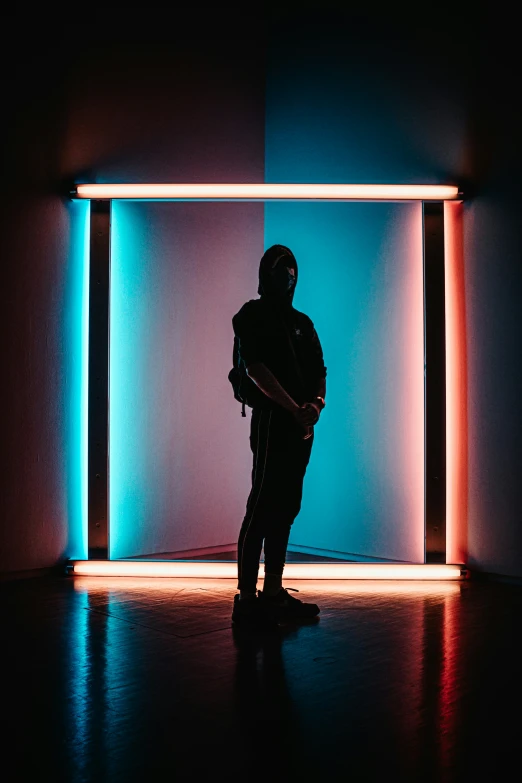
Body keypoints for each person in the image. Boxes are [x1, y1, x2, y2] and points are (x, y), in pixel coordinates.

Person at [231, 244, 327, 628]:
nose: (285, 278)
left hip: (301, 425)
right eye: (277, 271)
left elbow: (320, 370)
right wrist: (294, 409)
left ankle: (272, 592)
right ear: (264, 274)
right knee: (262, 506)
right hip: (273, 422)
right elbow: (255, 369)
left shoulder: (303, 322)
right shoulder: (251, 315)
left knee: (286, 507)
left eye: (290, 272)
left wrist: (315, 407)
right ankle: (247, 597)